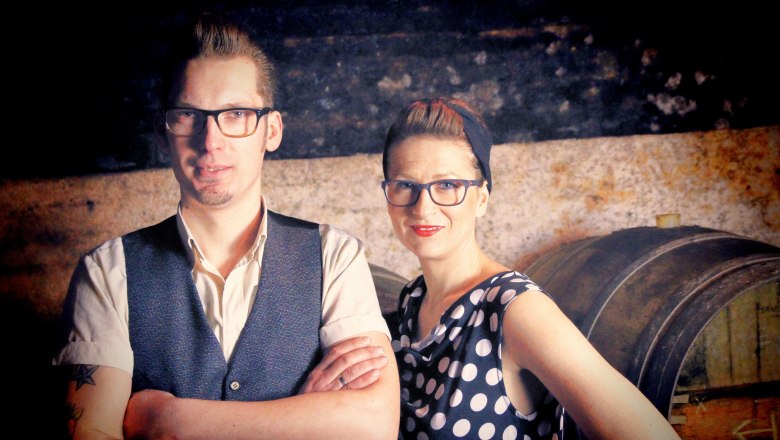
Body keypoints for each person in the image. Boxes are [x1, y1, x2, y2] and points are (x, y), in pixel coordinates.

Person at [53, 15, 399, 439]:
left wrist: (167, 422)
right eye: (188, 115)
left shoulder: (335, 255)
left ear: (270, 130)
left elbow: (374, 425)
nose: (210, 140)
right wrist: (305, 417)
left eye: (236, 114)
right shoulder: (108, 272)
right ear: (164, 135)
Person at [379, 97, 681, 439]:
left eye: (448, 185)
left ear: (482, 198)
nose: (423, 207)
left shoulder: (515, 308)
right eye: (405, 185)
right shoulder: (413, 299)